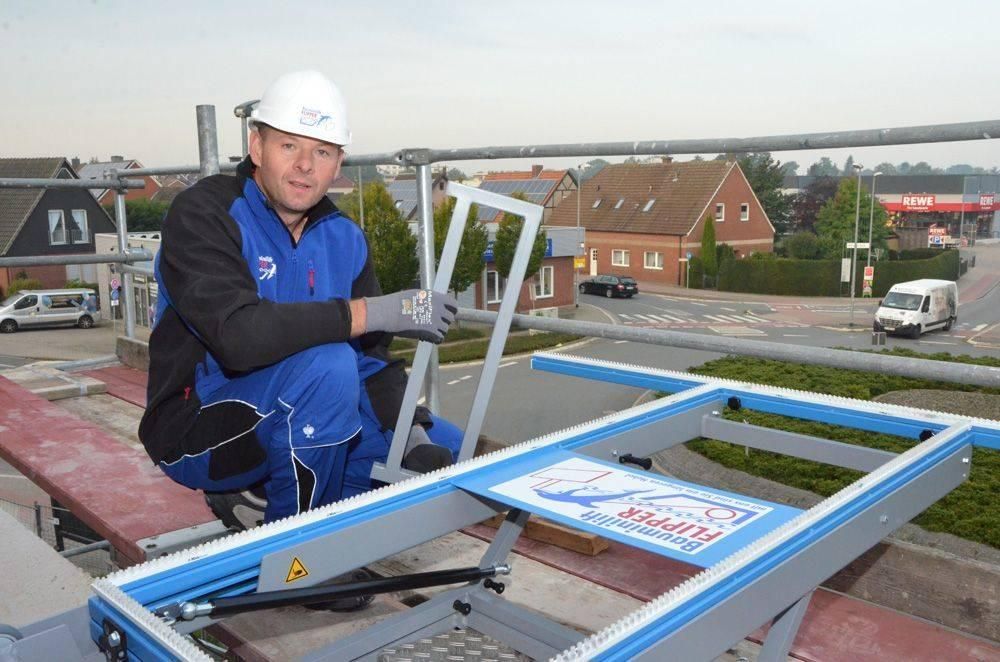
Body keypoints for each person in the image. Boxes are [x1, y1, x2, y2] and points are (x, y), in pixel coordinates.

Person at [138, 70, 462, 534]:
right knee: (327, 370)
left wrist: (412, 438)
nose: (306, 165)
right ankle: (296, 559)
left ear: (339, 163)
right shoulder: (205, 215)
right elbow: (238, 337)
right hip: (199, 427)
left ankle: (273, 502)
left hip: (302, 406)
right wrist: (376, 310)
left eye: (322, 151)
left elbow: (368, 361)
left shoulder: (345, 239)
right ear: (257, 148)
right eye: (290, 145)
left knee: (450, 447)